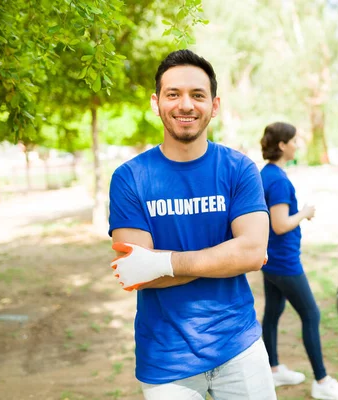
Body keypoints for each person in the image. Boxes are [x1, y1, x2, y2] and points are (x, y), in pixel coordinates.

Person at [107, 49, 277, 399]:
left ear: (214, 105)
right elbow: (138, 272)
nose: (186, 105)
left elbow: (252, 251)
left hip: (239, 345)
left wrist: (165, 261)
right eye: (174, 94)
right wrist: (226, 258)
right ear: (157, 103)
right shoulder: (130, 178)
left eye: (197, 95)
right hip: (166, 358)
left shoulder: (239, 169)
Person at [259, 122, 338, 400]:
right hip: (283, 262)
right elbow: (279, 224)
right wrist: (304, 212)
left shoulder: (267, 173)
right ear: (282, 145)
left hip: (272, 260)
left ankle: (273, 369)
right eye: (293, 140)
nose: (297, 144)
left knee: (273, 312)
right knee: (311, 314)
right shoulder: (277, 180)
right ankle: (322, 381)